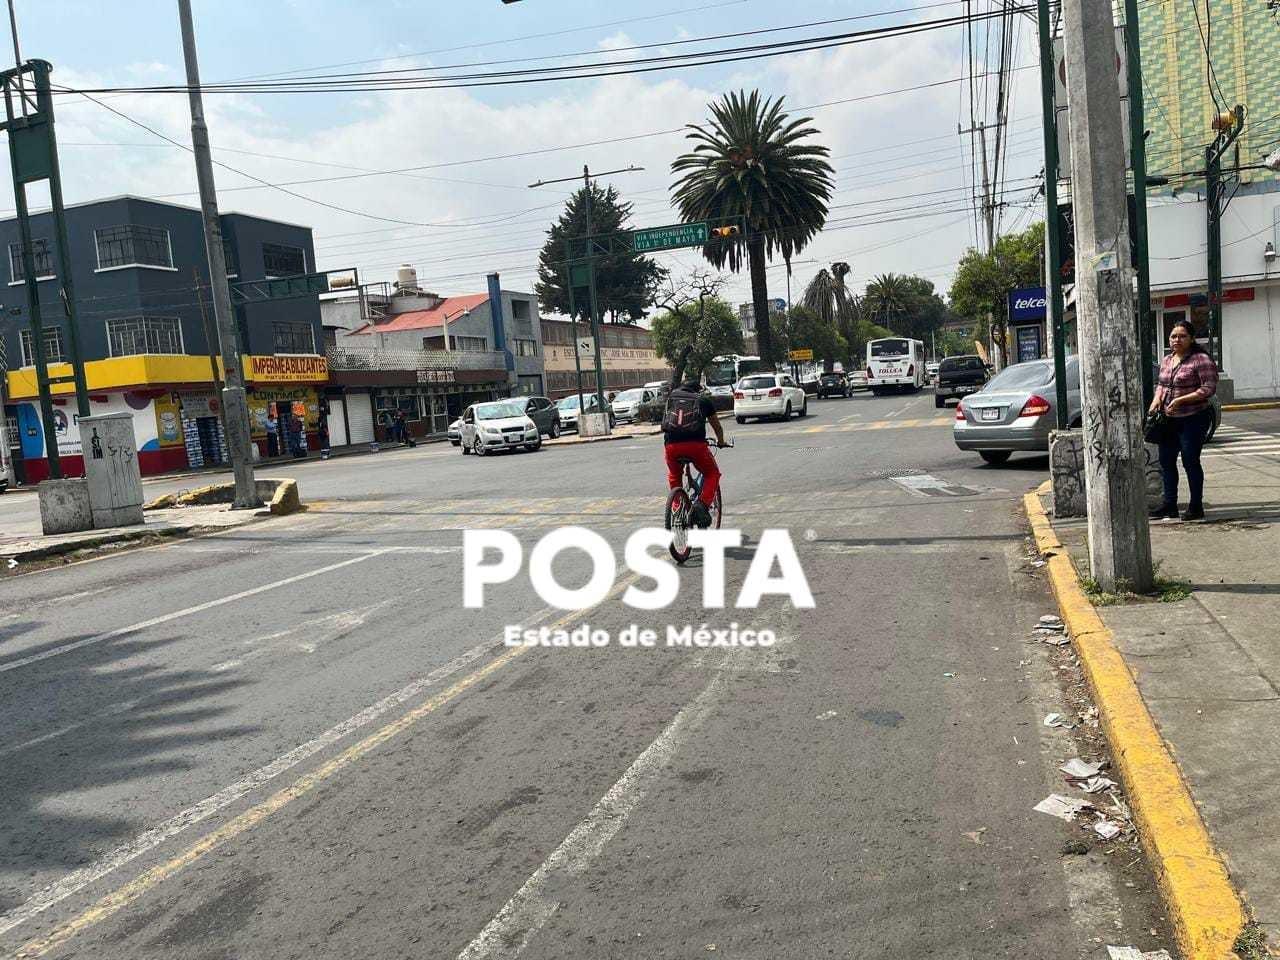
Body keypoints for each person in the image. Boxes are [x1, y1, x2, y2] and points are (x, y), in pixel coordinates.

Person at [1148, 319, 1219, 521]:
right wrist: (1156, 401)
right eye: (1173, 336)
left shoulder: (1200, 359)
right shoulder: (1167, 360)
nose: (1177, 340)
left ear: (1191, 338)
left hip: (1193, 418)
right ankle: (1169, 505)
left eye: (1182, 336)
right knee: (1166, 462)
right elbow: (1161, 385)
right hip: (1169, 420)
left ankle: (1196, 506)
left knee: (1190, 461)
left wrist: (1181, 400)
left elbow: (1208, 388)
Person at [662, 377, 727, 528]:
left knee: (674, 475)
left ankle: (678, 507)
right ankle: (701, 505)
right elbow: (717, 427)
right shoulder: (703, 400)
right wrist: (721, 441)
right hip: (696, 446)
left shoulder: (671, 399)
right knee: (712, 474)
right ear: (697, 389)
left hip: (671, 447)